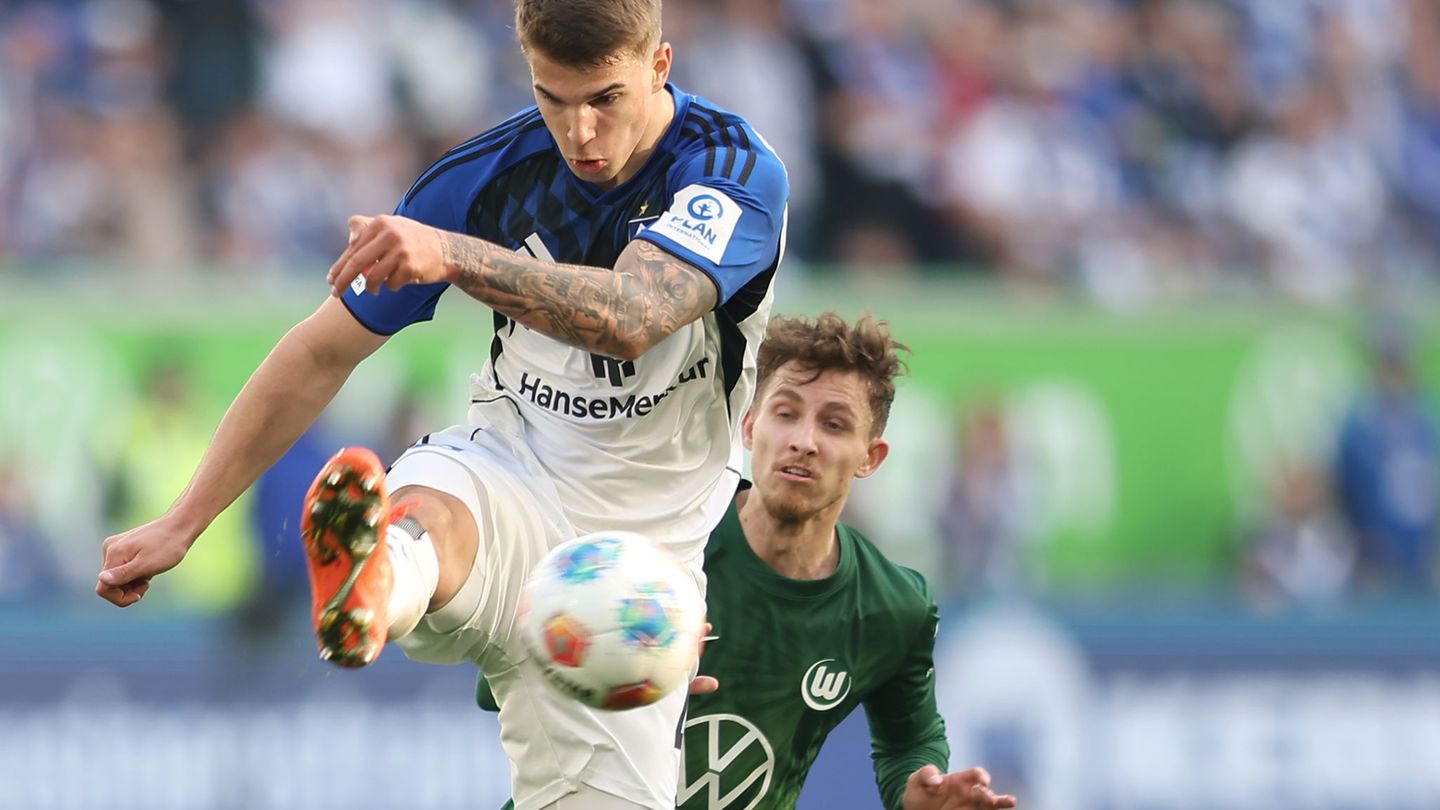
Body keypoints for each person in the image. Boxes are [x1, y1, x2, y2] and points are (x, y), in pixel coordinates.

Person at [95, 0, 789, 806]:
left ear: (659, 66)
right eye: (552, 99)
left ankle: (386, 580)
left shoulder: (732, 170)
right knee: (429, 509)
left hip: (640, 565)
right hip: (513, 467)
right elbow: (319, 351)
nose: (581, 133)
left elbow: (633, 318)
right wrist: (184, 520)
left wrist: (452, 257)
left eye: (605, 99)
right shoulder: (484, 177)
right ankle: (371, 585)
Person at [479, 313, 1018, 810]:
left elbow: (911, 740)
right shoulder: (655, 538)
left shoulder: (893, 606)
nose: (803, 441)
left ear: (870, 457)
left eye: (834, 425)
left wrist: (918, 792)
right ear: (749, 426)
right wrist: (616, 672)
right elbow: (499, 683)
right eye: (786, 414)